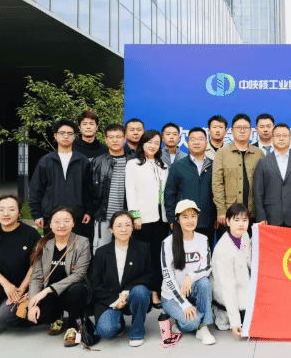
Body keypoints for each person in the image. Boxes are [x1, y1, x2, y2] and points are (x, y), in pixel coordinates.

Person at [0, 195, 42, 340]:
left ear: (19, 212)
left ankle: (27, 316)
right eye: (1, 210)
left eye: (11, 209)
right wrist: (6, 284)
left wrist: (22, 289)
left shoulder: (30, 234)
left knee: (5, 318)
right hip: (0, 286)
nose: (6, 213)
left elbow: (37, 264)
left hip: (24, 288)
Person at [28, 207, 91, 344]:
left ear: (73, 223)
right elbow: (36, 277)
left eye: (66, 221)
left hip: (72, 291)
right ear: (50, 224)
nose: (61, 225)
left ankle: (73, 325)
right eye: (57, 222)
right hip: (51, 295)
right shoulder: (42, 244)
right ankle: (56, 317)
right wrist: (32, 303)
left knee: (77, 290)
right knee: (37, 316)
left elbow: (79, 274)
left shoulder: (82, 242)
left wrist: (47, 290)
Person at [91, 211, 153, 347]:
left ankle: (137, 332)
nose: (123, 229)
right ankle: (119, 322)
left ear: (132, 228)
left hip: (132, 296)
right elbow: (95, 284)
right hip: (109, 299)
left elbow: (149, 276)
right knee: (106, 331)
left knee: (141, 291)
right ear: (111, 230)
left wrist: (126, 292)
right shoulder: (101, 252)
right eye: (119, 226)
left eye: (127, 225)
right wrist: (115, 301)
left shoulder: (142, 248)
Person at [161, 200, 215, 345]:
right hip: (172, 296)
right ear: (177, 219)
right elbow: (168, 277)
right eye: (185, 217)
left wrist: (190, 276)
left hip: (192, 290)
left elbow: (207, 267)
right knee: (192, 322)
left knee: (204, 283)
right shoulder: (168, 243)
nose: (190, 221)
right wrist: (184, 304)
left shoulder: (203, 239)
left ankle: (204, 327)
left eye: (193, 216)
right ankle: (178, 319)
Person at [125, 129, 169, 308]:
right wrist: (135, 216)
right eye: (149, 142)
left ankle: (156, 293)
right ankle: (142, 294)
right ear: (143, 143)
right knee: (142, 258)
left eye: (156, 143)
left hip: (161, 219)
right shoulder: (133, 164)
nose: (153, 146)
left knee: (158, 257)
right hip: (142, 220)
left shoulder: (162, 165)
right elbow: (131, 192)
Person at [29, 118, 92, 240]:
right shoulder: (45, 161)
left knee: (76, 248)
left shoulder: (83, 161)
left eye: (69, 133)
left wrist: (88, 211)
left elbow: (89, 189)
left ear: (74, 137)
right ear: (55, 136)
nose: (66, 136)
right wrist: (37, 214)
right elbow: (35, 189)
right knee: (52, 247)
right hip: (51, 217)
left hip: (77, 217)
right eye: (62, 133)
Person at [165, 127, 217, 247]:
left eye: (200, 139)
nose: (196, 142)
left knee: (205, 254)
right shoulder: (178, 166)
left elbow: (219, 193)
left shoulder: (214, 165)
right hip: (184, 222)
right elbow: (170, 194)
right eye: (193, 139)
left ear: (206, 143)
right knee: (182, 254)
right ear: (187, 143)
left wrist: (217, 216)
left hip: (208, 222)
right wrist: (172, 218)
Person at [254, 123, 291, 228]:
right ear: (272, 138)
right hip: (271, 216)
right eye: (278, 136)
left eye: (284, 136)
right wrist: (261, 216)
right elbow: (258, 192)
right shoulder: (263, 162)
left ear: (290, 139)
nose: (281, 139)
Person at [212, 113, 264, 226]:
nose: (242, 131)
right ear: (232, 130)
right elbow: (217, 184)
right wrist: (221, 211)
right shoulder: (222, 153)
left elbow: (264, 184)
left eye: (245, 128)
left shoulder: (259, 153)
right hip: (230, 212)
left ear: (250, 131)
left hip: (253, 213)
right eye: (238, 128)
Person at [211, 203, 251, 338]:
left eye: (244, 220)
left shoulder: (245, 236)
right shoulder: (223, 249)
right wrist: (235, 323)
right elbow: (227, 287)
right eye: (236, 220)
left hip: (243, 290)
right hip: (227, 298)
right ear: (227, 221)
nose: (241, 224)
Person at [90, 123, 129, 252]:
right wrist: (91, 213)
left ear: (125, 139)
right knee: (101, 252)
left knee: (125, 252)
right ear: (106, 140)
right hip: (103, 217)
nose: (114, 140)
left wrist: (135, 216)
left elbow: (138, 195)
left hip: (126, 218)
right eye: (111, 137)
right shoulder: (97, 162)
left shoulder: (133, 162)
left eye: (118, 137)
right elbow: (89, 190)